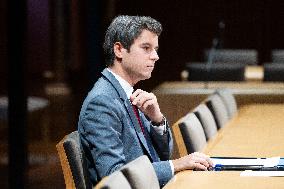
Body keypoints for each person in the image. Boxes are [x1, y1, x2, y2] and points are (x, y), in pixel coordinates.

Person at [78, 15, 213, 187]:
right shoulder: (102, 102)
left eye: (155, 49)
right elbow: (115, 175)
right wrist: (176, 164)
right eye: (146, 48)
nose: (155, 56)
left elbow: (163, 153)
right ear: (119, 50)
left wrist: (157, 119)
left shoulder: (127, 91)